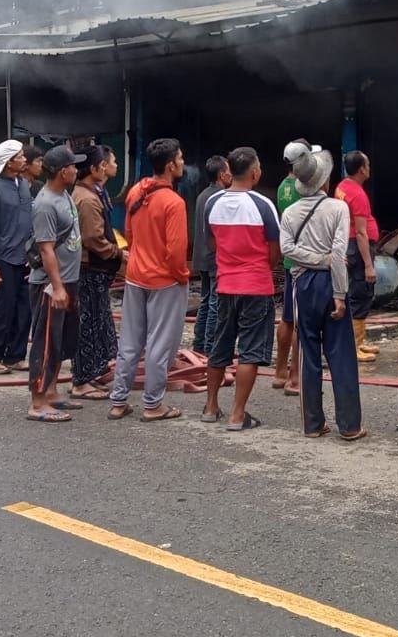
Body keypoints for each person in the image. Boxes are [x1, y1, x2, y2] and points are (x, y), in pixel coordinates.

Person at [282, 147, 365, 440]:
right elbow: (340, 252)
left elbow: (287, 250)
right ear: (324, 181)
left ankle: (312, 424)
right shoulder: (338, 208)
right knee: (341, 354)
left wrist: (313, 259)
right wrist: (340, 293)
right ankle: (350, 425)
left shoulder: (290, 212)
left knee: (307, 353)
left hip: (302, 283)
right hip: (331, 282)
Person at [198, 148, 281, 430]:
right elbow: (274, 250)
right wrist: (260, 268)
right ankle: (237, 413)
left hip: (225, 284)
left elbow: (212, 243)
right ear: (255, 172)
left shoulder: (212, 203)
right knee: (249, 351)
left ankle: (210, 406)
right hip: (256, 285)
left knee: (219, 345)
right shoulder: (263, 205)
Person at [109, 138, 191, 423]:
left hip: (135, 276)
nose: (182, 162)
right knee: (159, 344)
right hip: (164, 281)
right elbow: (176, 250)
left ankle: (118, 400)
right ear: (170, 165)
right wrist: (181, 276)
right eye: (180, 158)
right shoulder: (173, 202)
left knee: (130, 341)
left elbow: (130, 235)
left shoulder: (135, 192)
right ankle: (153, 404)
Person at [25, 146, 85, 422]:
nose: (77, 169)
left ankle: (51, 391)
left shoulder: (65, 196)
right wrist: (57, 287)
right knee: (46, 342)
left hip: (69, 279)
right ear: (63, 172)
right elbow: (47, 249)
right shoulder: (45, 204)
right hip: (50, 285)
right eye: (73, 166)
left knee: (62, 341)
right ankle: (37, 403)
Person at [69, 147, 122, 399]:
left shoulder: (92, 193)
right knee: (87, 325)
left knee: (96, 322)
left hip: (94, 270)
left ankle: (91, 374)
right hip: (89, 269)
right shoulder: (87, 199)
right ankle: (81, 381)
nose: (115, 166)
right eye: (111, 162)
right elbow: (92, 238)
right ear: (96, 168)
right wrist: (117, 253)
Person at [0, 140, 35, 375]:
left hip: (25, 259)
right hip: (3, 261)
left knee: (24, 311)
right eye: (21, 156)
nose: (25, 159)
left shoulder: (23, 184)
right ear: (10, 163)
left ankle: (15, 356)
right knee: (1, 312)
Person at [273, 140, 310, 394]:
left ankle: (279, 371)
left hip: (288, 260)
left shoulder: (282, 188)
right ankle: (296, 377)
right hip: (303, 261)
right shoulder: (302, 188)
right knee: (301, 320)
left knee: (287, 318)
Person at [336, 150, 381, 362]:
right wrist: (369, 265)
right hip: (358, 247)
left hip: (349, 245)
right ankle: (354, 346)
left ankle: (359, 342)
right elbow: (362, 232)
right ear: (362, 169)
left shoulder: (342, 188)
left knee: (355, 293)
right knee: (361, 293)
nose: (370, 168)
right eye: (368, 164)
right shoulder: (358, 195)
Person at [192, 155, 229, 354]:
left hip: (202, 257)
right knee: (215, 304)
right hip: (215, 258)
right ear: (222, 174)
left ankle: (199, 345)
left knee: (206, 302)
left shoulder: (202, 195)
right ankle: (209, 349)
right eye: (229, 170)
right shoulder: (221, 198)